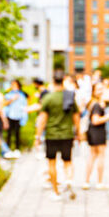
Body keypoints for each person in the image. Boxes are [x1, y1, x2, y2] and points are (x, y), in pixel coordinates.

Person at [34, 68, 79, 201]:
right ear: (63, 81)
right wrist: (79, 133)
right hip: (67, 134)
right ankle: (69, 179)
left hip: (52, 135)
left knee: (52, 163)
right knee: (68, 161)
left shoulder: (48, 98)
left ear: (53, 81)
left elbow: (42, 119)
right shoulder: (70, 97)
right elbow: (76, 116)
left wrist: (37, 136)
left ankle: (56, 192)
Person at [81, 81, 109, 190]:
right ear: (94, 91)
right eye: (98, 89)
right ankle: (99, 182)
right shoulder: (96, 104)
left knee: (92, 156)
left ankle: (86, 181)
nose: (101, 91)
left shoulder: (94, 103)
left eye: (102, 88)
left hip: (92, 132)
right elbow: (95, 120)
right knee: (100, 156)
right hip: (98, 131)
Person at [4, 79, 28, 154]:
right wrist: (12, 99)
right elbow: (4, 104)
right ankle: (8, 149)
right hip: (10, 116)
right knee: (9, 134)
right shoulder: (9, 94)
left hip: (18, 116)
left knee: (17, 133)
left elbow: (25, 106)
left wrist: (24, 116)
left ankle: (17, 149)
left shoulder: (22, 95)